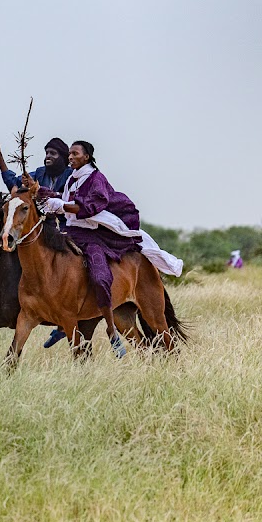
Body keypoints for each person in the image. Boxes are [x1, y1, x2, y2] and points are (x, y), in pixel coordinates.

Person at [35, 140, 182, 358]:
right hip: (73, 233)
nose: (71, 157)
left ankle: (111, 326)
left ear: (86, 157)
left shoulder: (96, 179)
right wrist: (41, 191)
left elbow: (90, 207)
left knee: (100, 274)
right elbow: (63, 200)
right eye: (71, 154)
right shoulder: (72, 180)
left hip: (95, 235)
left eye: (75, 154)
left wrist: (63, 206)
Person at [0, 135, 73, 348]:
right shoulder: (39, 173)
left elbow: (69, 199)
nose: (47, 157)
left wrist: (39, 189)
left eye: (53, 154)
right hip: (39, 228)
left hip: (65, 226)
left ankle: (66, 317)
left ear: (63, 157)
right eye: (46, 153)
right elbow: (14, 185)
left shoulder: (71, 175)